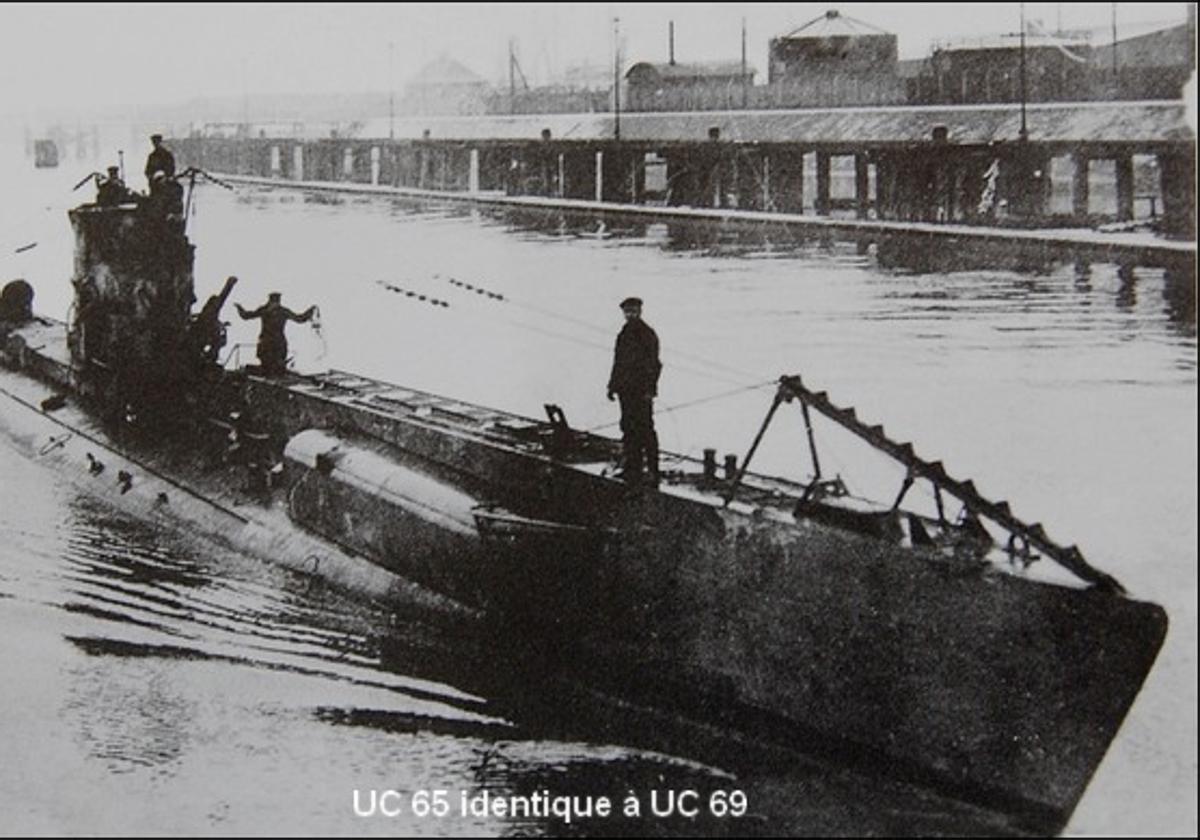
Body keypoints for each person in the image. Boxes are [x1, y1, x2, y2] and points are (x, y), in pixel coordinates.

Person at [607, 296, 662, 483]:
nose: (630, 314)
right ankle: (633, 468)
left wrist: (650, 390)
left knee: (646, 429)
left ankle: (654, 471)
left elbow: (655, 365)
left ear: (639, 311)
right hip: (625, 390)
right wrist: (612, 386)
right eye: (627, 312)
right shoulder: (623, 334)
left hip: (640, 391)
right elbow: (618, 362)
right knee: (628, 428)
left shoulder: (648, 335)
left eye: (633, 311)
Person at [235, 292, 316, 377]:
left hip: (267, 342)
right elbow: (300, 319)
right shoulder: (282, 311)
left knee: (268, 367)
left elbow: (246, 316)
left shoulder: (264, 310)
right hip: (277, 343)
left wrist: (239, 308)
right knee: (275, 368)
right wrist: (310, 311)